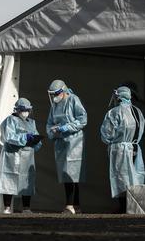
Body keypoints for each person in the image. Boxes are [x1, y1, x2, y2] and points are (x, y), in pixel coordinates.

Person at [100, 86, 145, 213]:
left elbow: (107, 133)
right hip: (135, 146)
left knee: (121, 177)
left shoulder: (115, 112)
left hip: (120, 148)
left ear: (117, 97)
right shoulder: (138, 111)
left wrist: (110, 142)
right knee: (135, 177)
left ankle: (124, 207)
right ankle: (135, 207)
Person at [46, 79, 87, 214]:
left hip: (74, 141)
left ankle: (70, 206)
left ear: (63, 91)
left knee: (72, 174)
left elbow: (82, 119)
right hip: (61, 143)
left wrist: (66, 127)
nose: (54, 97)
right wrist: (53, 131)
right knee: (67, 174)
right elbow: (49, 123)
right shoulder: (54, 105)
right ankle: (77, 205)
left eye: (56, 93)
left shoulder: (73, 100)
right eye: (52, 94)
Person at [0, 98, 43, 214]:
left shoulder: (31, 123)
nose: (25, 112)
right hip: (12, 156)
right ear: (17, 110)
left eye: (27, 110)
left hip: (28, 157)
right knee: (9, 179)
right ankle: (7, 207)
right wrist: (24, 138)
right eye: (23, 110)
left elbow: (36, 137)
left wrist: (37, 141)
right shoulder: (10, 120)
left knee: (27, 181)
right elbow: (9, 137)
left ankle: (26, 208)